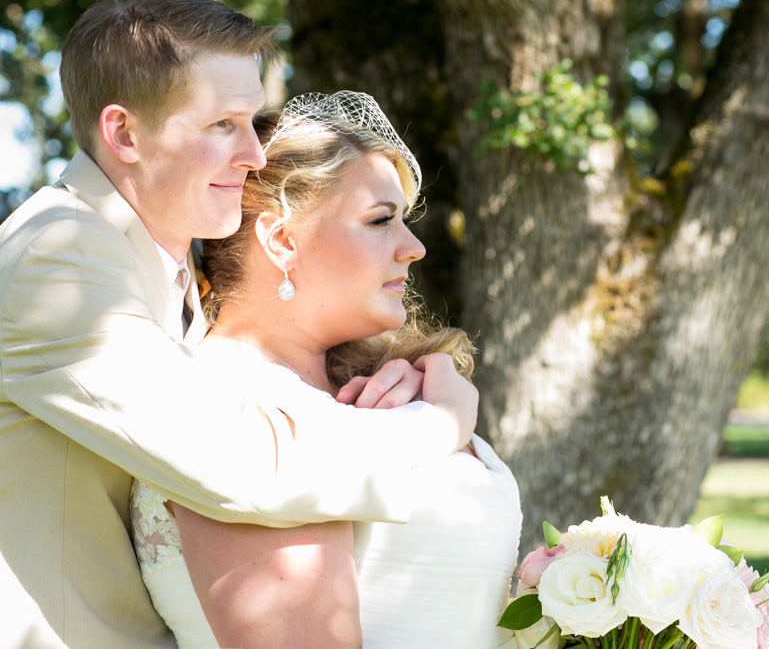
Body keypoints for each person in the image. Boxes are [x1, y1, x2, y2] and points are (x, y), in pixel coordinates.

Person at [0, 0, 477, 648]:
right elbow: (247, 464)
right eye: (222, 124)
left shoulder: (168, 265)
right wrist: (442, 419)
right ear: (123, 133)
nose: (254, 154)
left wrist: (434, 372)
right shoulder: (56, 262)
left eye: (253, 121)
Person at [130, 92, 523, 648]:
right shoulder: (228, 407)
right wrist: (445, 421)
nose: (414, 248)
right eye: (381, 220)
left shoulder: (396, 384)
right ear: (282, 240)